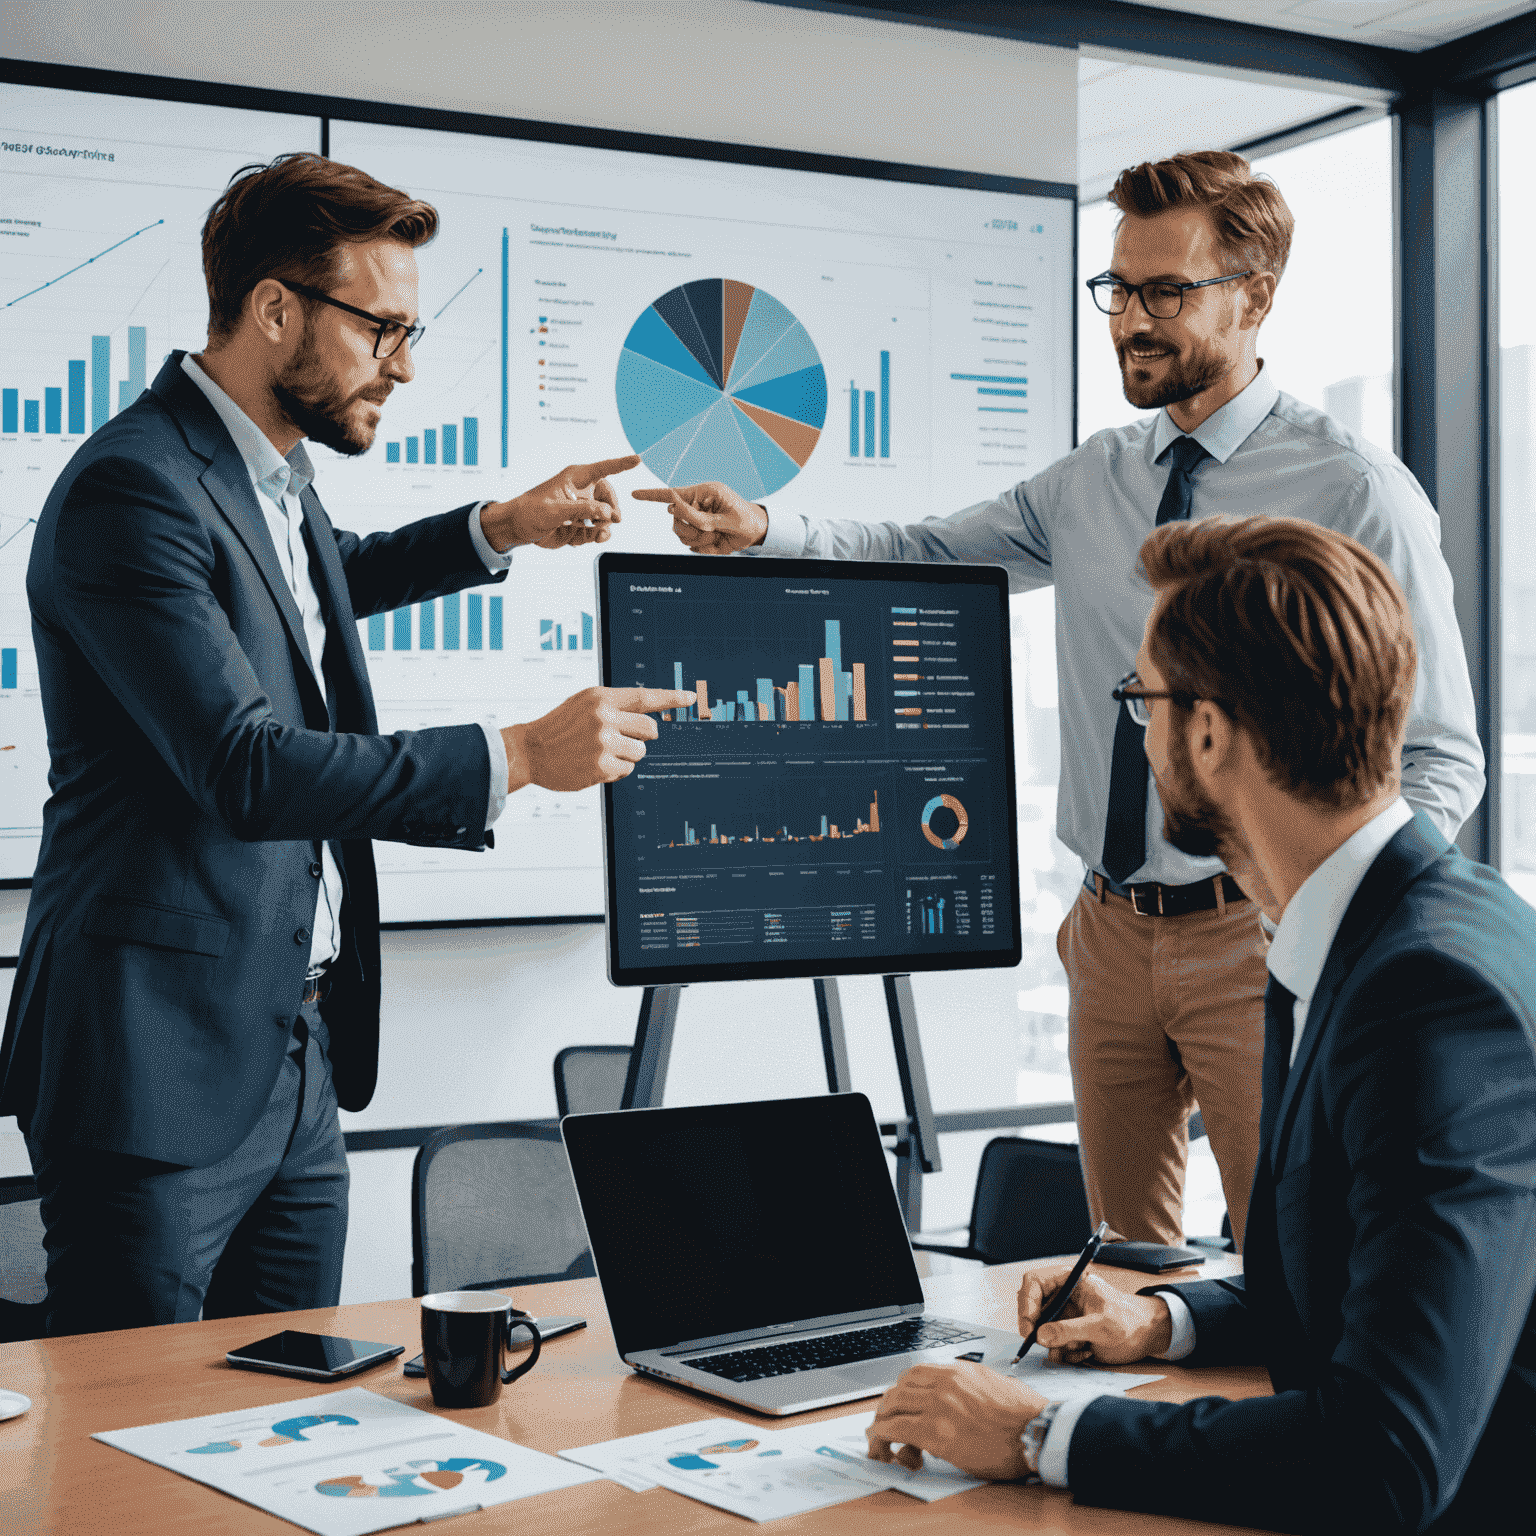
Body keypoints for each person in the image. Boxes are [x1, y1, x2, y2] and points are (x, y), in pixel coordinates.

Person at [636, 149, 1483, 1252]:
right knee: (1122, 1269)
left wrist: (1330, 928)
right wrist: (765, 532)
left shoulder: (1352, 490)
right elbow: (927, 551)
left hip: (1255, 937)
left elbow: (1443, 757)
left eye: (1166, 293)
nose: (1132, 319)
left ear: (1255, 296)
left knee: (1292, 1264)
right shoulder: (1095, 477)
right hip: (1110, 934)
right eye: (1119, 289)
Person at [0, 152, 692, 1337]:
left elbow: (319, 586)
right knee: (131, 1450)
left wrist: (497, 528)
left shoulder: (261, 470)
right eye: (383, 330)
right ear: (276, 310)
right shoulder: (132, 486)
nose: (407, 365)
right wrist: (516, 753)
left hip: (293, 1046)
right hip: (155, 1062)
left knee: (281, 1424)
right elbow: (248, 767)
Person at [863, 515, 1536, 1534]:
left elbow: (1387, 1455)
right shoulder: (1351, 936)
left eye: (1142, 702)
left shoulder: (1430, 999)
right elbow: (1370, 1280)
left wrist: (1043, 1436)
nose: (1138, 732)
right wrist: (1162, 1321)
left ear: (1210, 733)